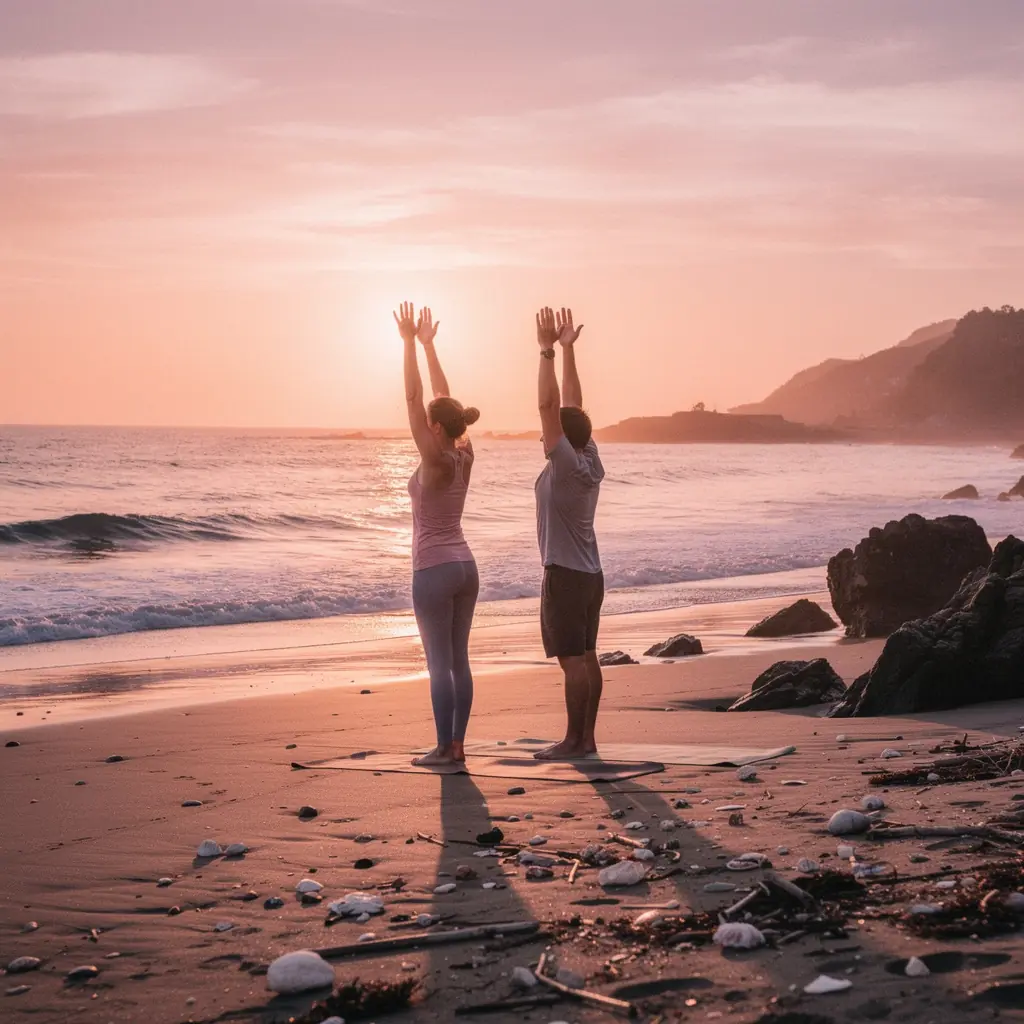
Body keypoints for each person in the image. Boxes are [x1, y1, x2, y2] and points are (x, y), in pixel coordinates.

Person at [394, 301, 480, 767]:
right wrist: (431, 347)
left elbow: (414, 400)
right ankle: (458, 746)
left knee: (437, 665)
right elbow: (445, 400)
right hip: (466, 566)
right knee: (459, 661)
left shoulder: (435, 459)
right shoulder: (464, 452)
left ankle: (444, 749)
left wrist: (408, 343)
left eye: (429, 419)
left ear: (435, 427)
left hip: (434, 569)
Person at [532, 306, 606, 760]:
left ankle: (573, 742)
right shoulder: (589, 457)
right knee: (589, 658)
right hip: (592, 575)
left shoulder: (563, 464)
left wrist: (545, 353)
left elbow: (549, 406)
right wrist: (569, 350)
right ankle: (586, 739)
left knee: (573, 663)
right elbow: (573, 406)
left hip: (565, 574)